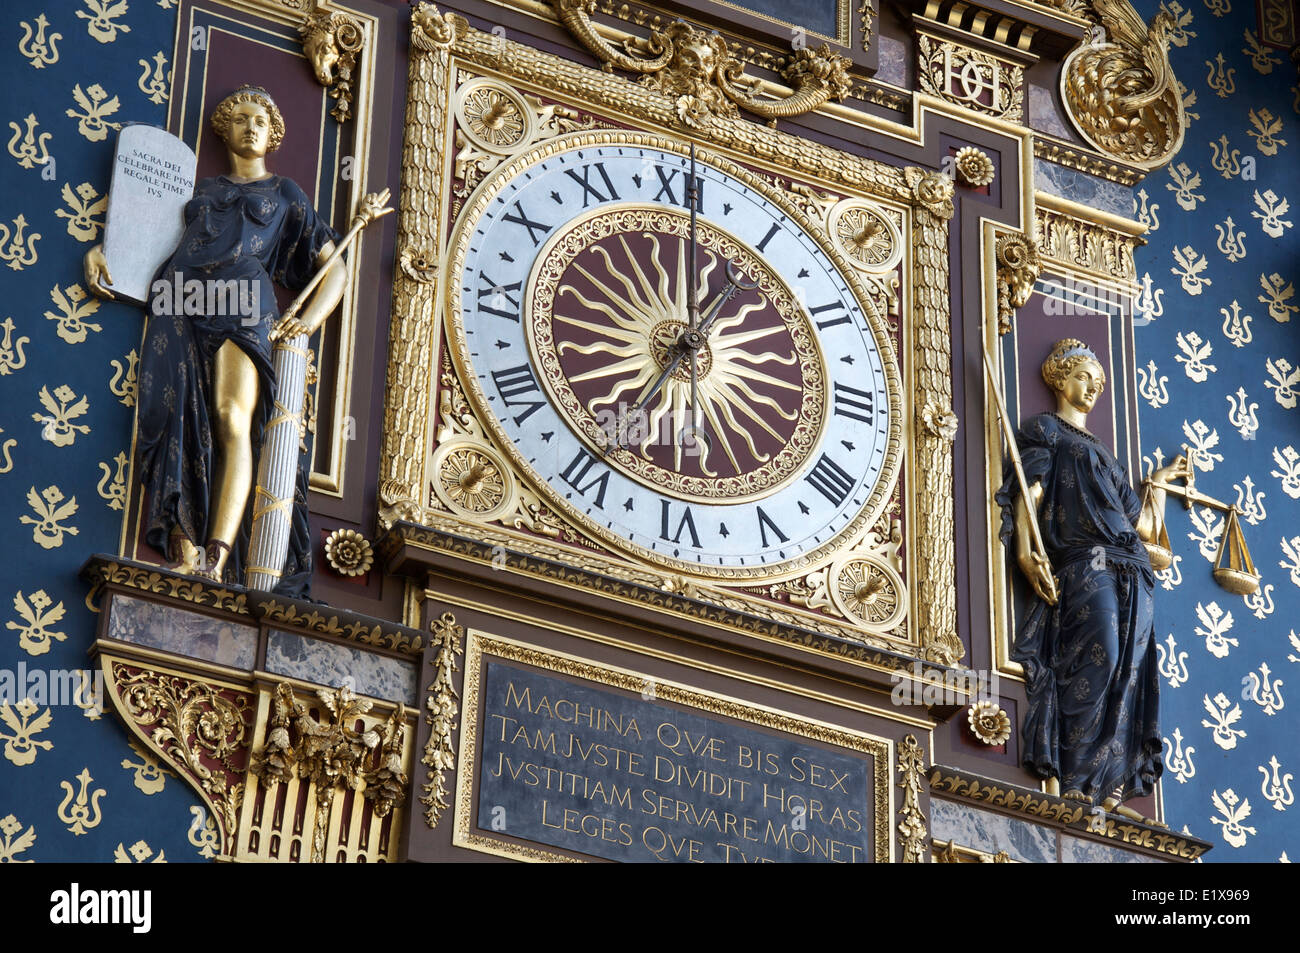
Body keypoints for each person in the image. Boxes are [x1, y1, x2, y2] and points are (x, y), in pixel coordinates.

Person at [84, 86, 348, 595]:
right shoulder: (198, 189)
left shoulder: (286, 192)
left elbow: (334, 269)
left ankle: (217, 555)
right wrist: (101, 250)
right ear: (224, 130)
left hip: (244, 301)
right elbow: (141, 239)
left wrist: (308, 320)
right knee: (172, 412)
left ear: (273, 136)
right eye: (241, 118)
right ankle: (183, 545)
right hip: (180, 299)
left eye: (261, 121)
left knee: (232, 417)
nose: (252, 127)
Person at [996, 338, 1189, 818]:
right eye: (1084, 377)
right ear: (1060, 378)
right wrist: (1025, 550)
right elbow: (1030, 493)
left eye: (1100, 384)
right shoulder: (1047, 431)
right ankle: (1077, 778)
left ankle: (1112, 789)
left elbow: (1143, 527)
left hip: (1135, 570)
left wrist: (1159, 485)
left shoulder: (1104, 452)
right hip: (1086, 560)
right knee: (1095, 658)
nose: (1093, 389)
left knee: (1130, 672)